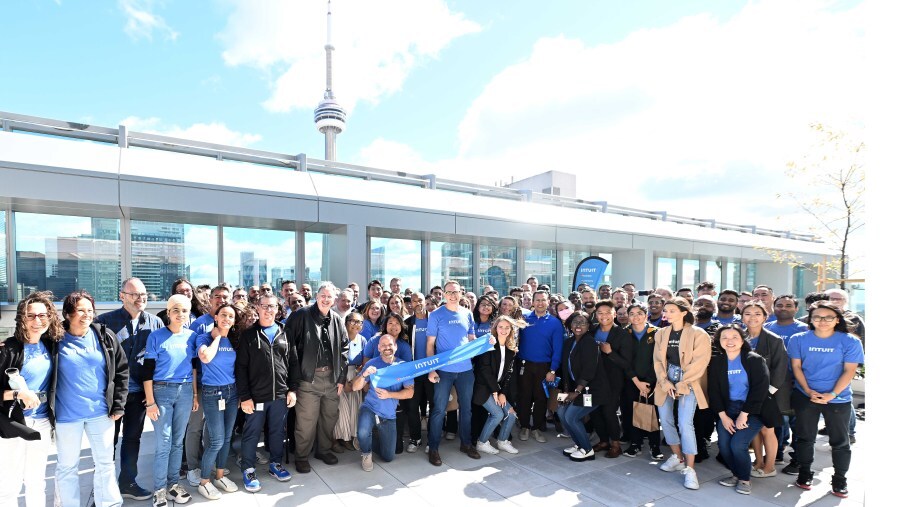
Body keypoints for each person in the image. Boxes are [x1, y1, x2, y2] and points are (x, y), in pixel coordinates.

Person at [55, 290, 128, 507]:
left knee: (105, 462)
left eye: (90, 310)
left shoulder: (104, 336)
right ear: (68, 313)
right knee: (67, 466)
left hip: (100, 413)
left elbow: (122, 370)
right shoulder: (55, 339)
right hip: (67, 415)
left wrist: (118, 404)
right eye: (80, 310)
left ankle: (110, 503)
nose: (87, 315)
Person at [95, 277, 164, 501]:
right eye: (134, 294)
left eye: (143, 294)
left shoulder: (155, 323)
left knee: (132, 439)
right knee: (108, 442)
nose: (140, 299)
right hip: (113, 394)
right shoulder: (104, 322)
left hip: (140, 394)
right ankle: (104, 489)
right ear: (122, 296)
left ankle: (128, 482)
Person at [787, 301, 863, 498]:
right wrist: (808, 390)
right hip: (805, 396)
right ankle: (804, 473)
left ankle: (840, 479)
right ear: (810, 320)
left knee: (840, 441)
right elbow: (796, 367)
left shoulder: (850, 341)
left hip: (838, 399)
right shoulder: (798, 339)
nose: (822, 321)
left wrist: (832, 394)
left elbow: (850, 370)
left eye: (828, 317)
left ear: (837, 320)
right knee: (805, 437)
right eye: (817, 317)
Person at [0, 292, 63, 507]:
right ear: (22, 319)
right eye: (31, 316)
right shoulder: (9, 349)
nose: (37, 321)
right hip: (14, 424)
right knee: (9, 485)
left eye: (42, 315)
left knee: (36, 481)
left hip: (42, 423)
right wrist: (18, 394)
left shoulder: (51, 345)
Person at [235, 293, 299, 492]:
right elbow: (241, 369)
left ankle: (275, 464)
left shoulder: (285, 332)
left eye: (272, 306)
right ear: (257, 307)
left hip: (280, 394)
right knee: (252, 432)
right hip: (256, 397)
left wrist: (293, 390)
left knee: (277, 432)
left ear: (277, 309)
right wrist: (244, 396)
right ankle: (248, 468)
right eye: (264, 306)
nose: (268, 310)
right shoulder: (248, 335)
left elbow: (293, 363)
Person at [285, 282, 349, 474]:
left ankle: (324, 450)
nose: (326, 299)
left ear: (334, 300)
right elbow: (288, 346)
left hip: (331, 378)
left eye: (330, 297)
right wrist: (293, 382)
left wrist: (341, 378)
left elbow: (344, 349)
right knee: (306, 421)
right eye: (323, 295)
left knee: (329, 418)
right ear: (316, 296)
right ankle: (302, 456)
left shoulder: (337, 320)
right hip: (308, 379)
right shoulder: (300, 315)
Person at [144, 294, 199, 506]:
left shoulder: (192, 336)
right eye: (175, 310)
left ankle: (173, 485)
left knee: (178, 442)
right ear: (168, 313)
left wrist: (194, 394)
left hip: (185, 391)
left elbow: (194, 368)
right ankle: (159, 489)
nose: (180, 314)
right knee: (164, 442)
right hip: (162, 391)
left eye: (184, 310)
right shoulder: (155, 337)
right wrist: (150, 402)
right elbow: (147, 372)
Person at [653, 297, 711, 491]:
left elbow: (700, 363)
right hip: (666, 378)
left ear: (684, 312)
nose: (666, 313)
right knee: (665, 418)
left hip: (690, 380)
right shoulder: (662, 333)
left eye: (671, 310)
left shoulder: (698, 333)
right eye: (665, 310)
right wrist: (665, 381)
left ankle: (690, 469)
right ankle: (677, 456)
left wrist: (682, 384)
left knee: (685, 423)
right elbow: (658, 361)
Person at [708, 324, 770, 495]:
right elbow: (713, 391)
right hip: (727, 410)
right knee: (724, 446)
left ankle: (744, 479)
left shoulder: (754, 360)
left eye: (734, 337)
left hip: (751, 410)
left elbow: (760, 390)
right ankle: (736, 473)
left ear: (742, 340)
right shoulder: (717, 361)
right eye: (724, 338)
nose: (730, 341)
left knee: (737, 445)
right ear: (719, 342)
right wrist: (723, 416)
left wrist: (744, 415)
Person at [426, 280, 480, 466]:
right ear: (444, 294)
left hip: (465, 370)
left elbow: (471, 339)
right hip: (443, 370)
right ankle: (433, 448)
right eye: (449, 292)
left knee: (466, 409)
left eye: (456, 292)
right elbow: (430, 344)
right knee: (439, 409)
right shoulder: (436, 315)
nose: (453, 295)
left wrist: (485, 343)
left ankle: (466, 443)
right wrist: (431, 369)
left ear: (461, 293)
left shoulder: (467, 313)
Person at [184, 284, 231, 487]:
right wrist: (194, 392)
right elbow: (193, 360)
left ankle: (208, 463)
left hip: (221, 386)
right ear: (210, 299)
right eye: (217, 296)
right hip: (201, 383)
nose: (220, 300)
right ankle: (193, 467)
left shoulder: (230, 324)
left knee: (212, 431)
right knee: (195, 427)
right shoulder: (200, 324)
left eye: (224, 297)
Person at [194, 303, 242, 499]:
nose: (227, 319)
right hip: (213, 392)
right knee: (216, 441)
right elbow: (205, 357)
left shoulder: (234, 340)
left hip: (232, 392)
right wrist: (217, 337)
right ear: (216, 317)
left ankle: (220, 476)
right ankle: (204, 481)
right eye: (223, 315)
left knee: (227, 438)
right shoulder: (204, 337)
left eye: (231, 316)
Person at [352, 334, 415, 471]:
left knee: (388, 456)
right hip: (370, 407)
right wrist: (364, 374)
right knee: (363, 432)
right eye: (384, 345)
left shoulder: (403, 366)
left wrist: (389, 395)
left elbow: (410, 393)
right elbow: (355, 387)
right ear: (379, 348)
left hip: (388, 415)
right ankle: (366, 453)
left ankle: (363, 441)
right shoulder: (371, 364)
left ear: (396, 347)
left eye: (390, 345)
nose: (387, 348)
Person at [739, 302, 787, 480]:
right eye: (748, 313)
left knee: (767, 430)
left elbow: (780, 369)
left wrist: (768, 392)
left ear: (765, 317)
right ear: (742, 316)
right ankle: (758, 462)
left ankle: (769, 466)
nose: (752, 317)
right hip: (746, 393)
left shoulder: (774, 340)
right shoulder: (738, 336)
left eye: (757, 313)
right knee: (754, 430)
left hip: (768, 394)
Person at [516, 290, 564, 445]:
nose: (540, 303)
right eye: (537, 300)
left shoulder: (555, 323)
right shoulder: (523, 319)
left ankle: (536, 427)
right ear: (532, 302)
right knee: (524, 397)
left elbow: (558, 349)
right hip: (524, 364)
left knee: (541, 398)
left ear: (548, 302)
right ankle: (524, 426)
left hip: (544, 367)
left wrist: (552, 370)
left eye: (543, 300)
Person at [557, 311, 606, 462]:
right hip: (572, 389)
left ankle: (587, 449)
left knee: (571, 417)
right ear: (570, 325)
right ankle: (579, 445)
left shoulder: (590, 342)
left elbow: (589, 371)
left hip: (591, 390)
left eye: (582, 322)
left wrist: (576, 392)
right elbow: (565, 369)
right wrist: (566, 392)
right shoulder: (568, 342)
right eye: (575, 322)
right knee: (561, 412)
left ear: (588, 326)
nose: (578, 326)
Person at [473, 315, 523, 455]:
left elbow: (508, 375)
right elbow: (485, 370)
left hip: (498, 390)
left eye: (507, 327)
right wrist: (495, 391)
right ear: (495, 328)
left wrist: (502, 393)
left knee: (511, 414)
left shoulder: (511, 349)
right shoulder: (488, 345)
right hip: (483, 388)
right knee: (497, 414)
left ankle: (502, 441)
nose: (504, 330)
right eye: (501, 327)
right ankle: (481, 443)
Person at [590, 300, 633, 457]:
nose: (604, 316)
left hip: (613, 380)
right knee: (595, 411)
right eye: (600, 313)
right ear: (596, 315)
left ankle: (615, 444)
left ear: (614, 314)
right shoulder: (592, 330)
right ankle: (603, 441)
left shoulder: (622, 334)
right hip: (594, 379)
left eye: (607, 312)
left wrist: (610, 352)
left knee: (609, 412)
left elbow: (626, 362)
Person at [621, 303, 663, 460]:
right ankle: (635, 444)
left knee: (651, 413)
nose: (635, 317)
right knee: (632, 412)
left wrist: (649, 382)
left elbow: (658, 359)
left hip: (652, 381)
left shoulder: (657, 333)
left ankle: (654, 446)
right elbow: (624, 361)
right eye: (632, 313)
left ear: (646, 315)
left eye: (639, 313)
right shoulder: (625, 333)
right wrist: (637, 382)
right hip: (631, 380)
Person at [335, 312, 367, 451]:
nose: (355, 324)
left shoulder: (363, 340)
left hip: (355, 376)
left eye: (359, 322)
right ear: (346, 322)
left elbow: (365, 361)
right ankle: (339, 438)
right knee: (342, 409)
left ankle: (350, 437)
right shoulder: (339, 338)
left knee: (354, 408)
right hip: (340, 374)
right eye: (352, 321)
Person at [403, 292, 431, 453]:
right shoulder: (408, 323)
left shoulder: (434, 320)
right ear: (411, 304)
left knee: (433, 407)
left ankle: (431, 441)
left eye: (420, 300)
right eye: (414, 301)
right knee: (413, 407)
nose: (417, 303)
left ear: (425, 301)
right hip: (414, 373)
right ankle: (416, 438)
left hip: (432, 371)